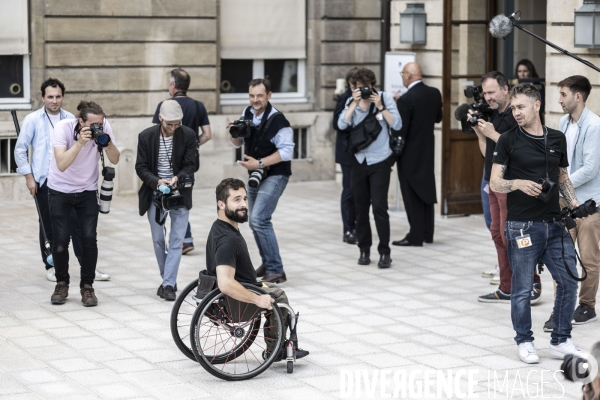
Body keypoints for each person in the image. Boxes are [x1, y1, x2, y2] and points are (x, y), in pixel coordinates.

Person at [490, 83, 581, 364]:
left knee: (568, 281)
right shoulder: (507, 139)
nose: (516, 112)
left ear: (537, 105)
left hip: (555, 225)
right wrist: (515, 182)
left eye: (521, 107)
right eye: (513, 107)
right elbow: (495, 182)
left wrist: (575, 204)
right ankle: (525, 341)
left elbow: (563, 176)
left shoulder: (556, 138)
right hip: (522, 227)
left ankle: (561, 340)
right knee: (521, 289)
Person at [14, 79, 112, 283]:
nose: (54, 100)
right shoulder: (33, 119)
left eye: (58, 96)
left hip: (70, 181)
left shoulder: (72, 119)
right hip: (44, 180)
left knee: (78, 227)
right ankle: (51, 265)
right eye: (50, 96)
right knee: (48, 225)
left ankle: (87, 266)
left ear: (63, 97)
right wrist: (29, 178)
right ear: (42, 98)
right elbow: (20, 150)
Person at [204, 178, 308, 359]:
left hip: (233, 291)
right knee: (279, 296)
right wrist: (257, 299)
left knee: (271, 287)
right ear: (221, 204)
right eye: (236, 200)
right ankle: (274, 349)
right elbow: (226, 284)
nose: (244, 204)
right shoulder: (228, 240)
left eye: (244, 198)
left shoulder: (219, 227)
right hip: (236, 300)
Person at [469, 72, 541, 303]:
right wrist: (481, 134)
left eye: (491, 92)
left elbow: (522, 151)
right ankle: (507, 287)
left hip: (513, 184)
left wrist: (493, 134)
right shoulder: (493, 116)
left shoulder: (517, 115)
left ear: (505, 89)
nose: (487, 97)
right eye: (485, 93)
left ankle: (532, 283)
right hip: (494, 182)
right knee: (498, 234)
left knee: (516, 235)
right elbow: (488, 154)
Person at [47, 101, 120, 306]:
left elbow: (115, 159)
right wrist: (80, 142)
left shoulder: (104, 128)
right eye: (94, 124)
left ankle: (87, 287)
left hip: (87, 191)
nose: (98, 127)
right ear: (80, 121)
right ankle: (61, 283)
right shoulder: (63, 128)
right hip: (60, 191)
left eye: (101, 123)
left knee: (89, 239)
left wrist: (107, 142)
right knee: (60, 241)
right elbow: (61, 164)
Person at [228, 78, 294, 283]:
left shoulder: (279, 121)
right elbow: (237, 143)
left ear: (269, 95)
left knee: (259, 219)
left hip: (275, 174)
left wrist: (260, 163)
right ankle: (268, 260)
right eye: (251, 95)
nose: (255, 100)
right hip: (256, 175)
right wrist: (233, 132)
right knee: (254, 221)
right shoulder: (247, 113)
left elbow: (287, 151)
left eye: (259, 96)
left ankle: (276, 269)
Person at [338, 68, 402, 268]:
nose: (364, 91)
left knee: (380, 208)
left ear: (373, 86)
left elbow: (397, 124)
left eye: (367, 87)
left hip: (380, 161)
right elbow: (341, 124)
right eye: (359, 88)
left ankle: (385, 252)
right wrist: (354, 102)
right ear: (354, 88)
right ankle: (364, 250)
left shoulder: (383, 98)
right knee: (361, 208)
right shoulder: (352, 102)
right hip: (359, 161)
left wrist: (381, 107)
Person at [136, 100, 197, 301]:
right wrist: (156, 181)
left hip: (179, 192)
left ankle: (169, 284)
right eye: (169, 124)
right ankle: (167, 279)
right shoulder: (146, 137)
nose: (173, 128)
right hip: (156, 193)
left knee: (177, 240)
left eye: (176, 124)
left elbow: (191, 164)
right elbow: (141, 167)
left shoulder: (187, 134)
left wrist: (178, 177)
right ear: (160, 118)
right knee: (158, 239)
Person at [554, 75, 600, 326]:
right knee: (560, 254)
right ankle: (561, 305)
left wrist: (563, 183)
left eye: (563, 94)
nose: (559, 99)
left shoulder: (594, 125)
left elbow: (591, 169)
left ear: (577, 96)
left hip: (589, 204)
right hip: (563, 202)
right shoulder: (563, 122)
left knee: (589, 258)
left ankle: (587, 305)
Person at [152, 68, 212, 255]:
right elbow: (208, 134)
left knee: (169, 199)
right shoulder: (198, 105)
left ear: (173, 85)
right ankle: (186, 239)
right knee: (182, 198)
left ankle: (184, 239)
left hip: (167, 162)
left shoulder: (165, 105)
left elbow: (156, 135)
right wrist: (193, 147)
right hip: (189, 163)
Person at [391, 62, 442, 247]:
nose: (402, 77)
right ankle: (428, 233)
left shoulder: (406, 99)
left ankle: (415, 235)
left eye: (403, 74)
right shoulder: (434, 93)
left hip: (409, 153)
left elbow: (400, 130)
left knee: (411, 193)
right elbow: (438, 117)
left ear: (409, 76)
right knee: (426, 190)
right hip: (428, 150)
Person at [333, 67, 358, 245]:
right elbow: (336, 123)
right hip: (347, 152)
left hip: (361, 151)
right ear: (351, 84)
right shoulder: (345, 98)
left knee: (359, 191)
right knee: (349, 191)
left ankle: (357, 226)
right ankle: (348, 229)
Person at [515, 59, 545, 124]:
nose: (522, 74)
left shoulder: (539, 86)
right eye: (519, 71)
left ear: (531, 72)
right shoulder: (514, 87)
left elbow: (542, 107)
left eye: (525, 71)